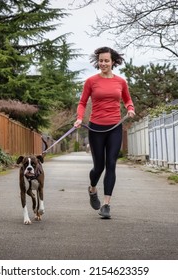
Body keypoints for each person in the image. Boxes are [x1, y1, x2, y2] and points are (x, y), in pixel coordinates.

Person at [74, 46, 135, 219]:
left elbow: (127, 99)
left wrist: (130, 108)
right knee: (98, 166)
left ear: (113, 62)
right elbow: (82, 103)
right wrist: (79, 118)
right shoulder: (91, 81)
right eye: (101, 60)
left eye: (106, 60)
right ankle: (93, 189)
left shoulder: (121, 82)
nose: (103, 63)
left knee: (111, 164)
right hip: (96, 128)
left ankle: (106, 204)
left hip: (115, 127)